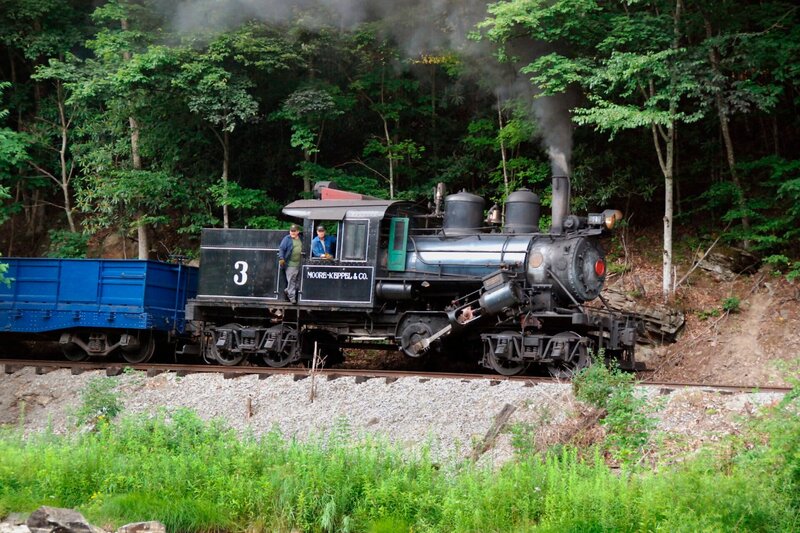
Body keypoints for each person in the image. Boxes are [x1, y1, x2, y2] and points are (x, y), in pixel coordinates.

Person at [278, 224, 302, 303]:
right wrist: (281, 258)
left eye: (294, 231)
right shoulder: (287, 239)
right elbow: (281, 249)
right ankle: (292, 297)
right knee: (291, 280)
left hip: (300, 263)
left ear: (298, 231)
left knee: (297, 282)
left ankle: (288, 290)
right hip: (290, 263)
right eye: (291, 231)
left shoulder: (301, 238)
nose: (292, 233)